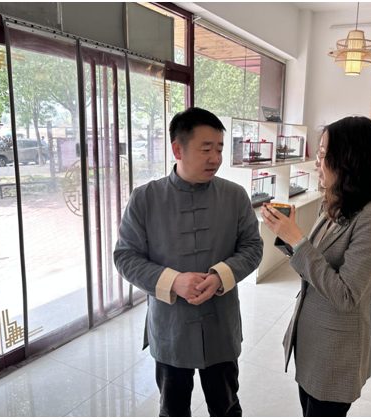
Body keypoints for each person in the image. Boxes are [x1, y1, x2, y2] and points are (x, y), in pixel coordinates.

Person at [114, 107, 264, 417]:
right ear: (178, 149)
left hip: (220, 325)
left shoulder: (235, 196)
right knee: (173, 409)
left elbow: (252, 247)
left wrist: (221, 276)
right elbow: (125, 256)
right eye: (206, 149)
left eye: (219, 149)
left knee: (226, 406)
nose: (215, 158)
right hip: (171, 328)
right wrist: (173, 281)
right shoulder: (145, 199)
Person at [262, 116, 371, 417]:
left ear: (350, 158)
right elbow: (314, 261)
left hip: (336, 351)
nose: (317, 161)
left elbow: (346, 295)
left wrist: (297, 240)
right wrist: (286, 236)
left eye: (324, 153)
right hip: (312, 341)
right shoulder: (337, 203)